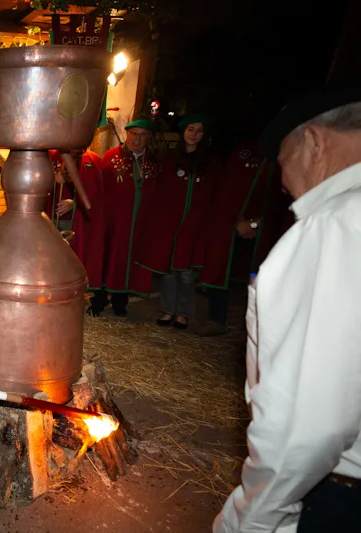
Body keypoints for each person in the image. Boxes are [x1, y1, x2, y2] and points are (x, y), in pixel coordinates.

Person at [214, 88, 361, 533]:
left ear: (314, 142)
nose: (281, 183)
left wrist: (251, 520)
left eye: (281, 161)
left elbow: (305, 424)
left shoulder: (334, 226)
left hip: (338, 499)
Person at [134, 115, 220, 329]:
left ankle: (183, 313)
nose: (194, 134)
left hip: (194, 227)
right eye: (190, 129)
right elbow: (161, 193)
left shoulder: (210, 163)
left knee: (187, 274)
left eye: (199, 130)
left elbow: (212, 196)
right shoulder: (170, 160)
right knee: (169, 271)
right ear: (183, 132)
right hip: (171, 226)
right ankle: (167, 310)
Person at [196, 141, 282, 336]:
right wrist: (235, 221)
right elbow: (228, 192)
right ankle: (217, 319)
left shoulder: (281, 160)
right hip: (232, 226)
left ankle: (249, 327)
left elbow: (280, 201)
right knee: (222, 271)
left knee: (256, 277)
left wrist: (255, 224)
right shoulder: (240, 154)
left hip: (264, 232)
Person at [92, 119, 160, 316]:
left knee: (130, 261)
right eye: (134, 133)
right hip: (113, 223)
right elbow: (99, 189)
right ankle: (99, 300)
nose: (137, 139)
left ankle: (121, 301)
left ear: (148, 138)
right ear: (127, 134)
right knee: (108, 258)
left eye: (142, 135)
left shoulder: (152, 163)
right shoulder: (110, 157)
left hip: (139, 223)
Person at [47, 148, 105, 291]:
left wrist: (74, 202)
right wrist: (53, 178)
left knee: (71, 255)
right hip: (50, 217)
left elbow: (95, 191)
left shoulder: (92, 160)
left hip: (75, 221)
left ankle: (70, 288)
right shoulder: (51, 155)